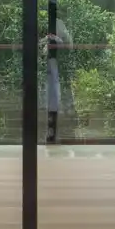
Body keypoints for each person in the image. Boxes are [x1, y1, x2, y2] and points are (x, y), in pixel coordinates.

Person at [46, 15, 72, 143]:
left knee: (56, 100)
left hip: (57, 69)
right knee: (50, 100)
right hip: (49, 70)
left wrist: (58, 41)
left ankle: (54, 133)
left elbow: (69, 45)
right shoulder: (42, 24)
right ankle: (51, 132)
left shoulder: (59, 24)